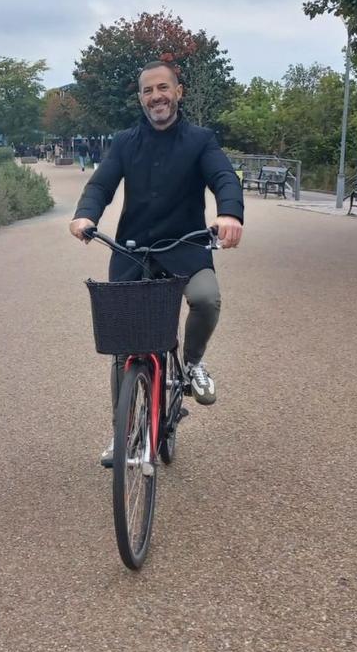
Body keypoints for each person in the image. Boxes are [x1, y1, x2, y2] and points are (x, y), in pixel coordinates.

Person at [68, 60, 245, 465]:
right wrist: (86, 214)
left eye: (163, 88)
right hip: (133, 250)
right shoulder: (126, 142)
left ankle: (194, 363)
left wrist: (230, 213)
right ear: (141, 98)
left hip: (185, 245)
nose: (156, 97)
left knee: (206, 298)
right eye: (148, 91)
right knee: (123, 346)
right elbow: (102, 183)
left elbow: (224, 178)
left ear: (178, 91)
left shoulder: (201, 139)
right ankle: (124, 430)